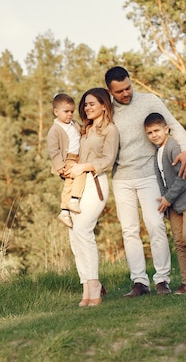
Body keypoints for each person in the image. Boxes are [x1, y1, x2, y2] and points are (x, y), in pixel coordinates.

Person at [104, 66, 186, 297]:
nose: (126, 93)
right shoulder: (108, 110)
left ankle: (162, 280)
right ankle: (139, 282)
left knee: (155, 225)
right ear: (110, 91)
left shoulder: (149, 101)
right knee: (129, 230)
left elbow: (175, 125)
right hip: (121, 178)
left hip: (149, 174)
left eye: (128, 87)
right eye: (120, 91)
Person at [66, 88, 119, 307]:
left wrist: (83, 167)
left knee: (82, 230)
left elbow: (108, 159)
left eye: (92, 104)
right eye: (85, 104)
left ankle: (95, 283)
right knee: (73, 234)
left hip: (95, 183)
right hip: (77, 183)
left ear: (104, 106)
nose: (87, 108)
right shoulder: (84, 129)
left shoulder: (110, 130)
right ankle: (86, 285)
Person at [145, 112, 186, 294]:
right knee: (179, 241)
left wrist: (167, 198)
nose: (154, 135)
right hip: (173, 205)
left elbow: (183, 177)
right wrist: (166, 203)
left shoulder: (173, 147)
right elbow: (162, 181)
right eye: (150, 133)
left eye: (157, 130)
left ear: (166, 129)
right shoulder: (157, 153)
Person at [47, 93, 87, 228]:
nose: (69, 114)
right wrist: (60, 166)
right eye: (66, 112)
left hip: (78, 157)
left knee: (70, 182)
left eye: (71, 111)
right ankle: (74, 200)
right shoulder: (55, 130)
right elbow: (53, 150)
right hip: (67, 159)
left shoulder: (74, 124)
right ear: (56, 112)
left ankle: (64, 211)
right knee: (80, 173)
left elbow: (82, 130)